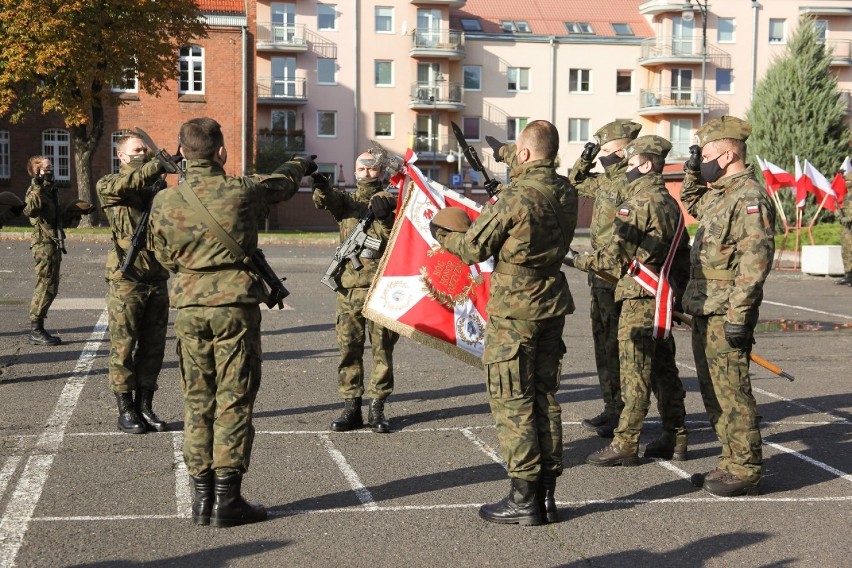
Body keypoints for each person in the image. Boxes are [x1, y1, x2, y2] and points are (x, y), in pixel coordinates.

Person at [148, 117, 313, 527]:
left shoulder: (165, 202)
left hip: (188, 307)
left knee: (197, 398)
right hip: (235, 307)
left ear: (183, 152)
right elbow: (284, 183)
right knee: (234, 398)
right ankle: (228, 500)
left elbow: (162, 256)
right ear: (221, 151)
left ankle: (201, 499)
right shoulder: (242, 190)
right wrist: (299, 163)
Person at [431, 120, 577, 526]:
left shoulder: (515, 198)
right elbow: (532, 161)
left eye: (518, 153)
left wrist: (441, 232)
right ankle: (546, 495)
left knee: (513, 402)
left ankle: (522, 498)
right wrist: (503, 151)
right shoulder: (565, 191)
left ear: (526, 155)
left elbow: (473, 247)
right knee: (545, 398)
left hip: (515, 313)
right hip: (551, 306)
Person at [570, 135, 690, 467]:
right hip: (663, 297)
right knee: (664, 369)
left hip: (638, 297)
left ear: (647, 165)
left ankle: (626, 442)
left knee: (635, 370)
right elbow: (683, 256)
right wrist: (679, 297)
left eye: (633, 163)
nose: (629, 169)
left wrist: (579, 260)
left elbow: (612, 256)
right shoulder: (670, 204)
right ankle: (675, 435)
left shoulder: (638, 202)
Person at [680, 116, 775, 497]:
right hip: (706, 309)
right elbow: (691, 201)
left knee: (733, 391)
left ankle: (747, 467)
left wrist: (739, 317)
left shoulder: (749, 197)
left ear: (729, 153)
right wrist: (690, 171)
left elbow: (754, 264)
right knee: (713, 391)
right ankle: (730, 458)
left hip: (726, 313)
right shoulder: (721, 193)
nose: (702, 161)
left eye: (705, 154)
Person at [312, 152, 399, 433]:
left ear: (382, 172)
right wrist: (322, 186)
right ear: (354, 171)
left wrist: (386, 216)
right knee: (349, 350)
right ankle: (351, 408)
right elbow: (329, 201)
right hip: (349, 291)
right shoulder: (348, 203)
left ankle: (377, 408)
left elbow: (395, 236)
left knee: (382, 351)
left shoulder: (393, 200)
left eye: (372, 169)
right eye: (361, 168)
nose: (366, 173)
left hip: (381, 289)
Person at [567, 120, 642, 439]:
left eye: (607, 150)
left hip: (620, 272)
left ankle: (627, 410)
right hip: (600, 272)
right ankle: (612, 406)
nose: (603, 156)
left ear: (624, 150)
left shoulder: (632, 181)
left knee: (621, 345)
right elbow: (574, 182)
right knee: (603, 340)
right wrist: (585, 158)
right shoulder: (606, 181)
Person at [96, 133, 171, 435]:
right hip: (127, 279)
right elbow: (127, 184)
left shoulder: (158, 189)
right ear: (122, 156)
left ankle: (145, 405)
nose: (143, 153)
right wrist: (156, 166)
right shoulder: (109, 184)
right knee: (124, 346)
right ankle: (126, 409)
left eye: (146, 150)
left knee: (153, 347)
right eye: (137, 150)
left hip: (156, 275)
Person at [23, 156, 92, 346]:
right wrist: (37, 185)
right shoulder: (35, 190)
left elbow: (55, 218)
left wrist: (72, 213)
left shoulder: (50, 190)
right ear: (37, 171)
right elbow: (30, 211)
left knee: (51, 287)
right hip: (43, 245)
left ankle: (38, 327)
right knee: (45, 286)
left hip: (52, 243)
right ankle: (36, 329)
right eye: (46, 168)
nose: (51, 171)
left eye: (51, 167)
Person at [836, 171, 852, 286]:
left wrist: (848, 219)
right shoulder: (847, 196)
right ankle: (848, 275)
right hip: (846, 230)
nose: (847, 183)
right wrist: (838, 213)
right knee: (845, 252)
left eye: (849, 181)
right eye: (846, 181)